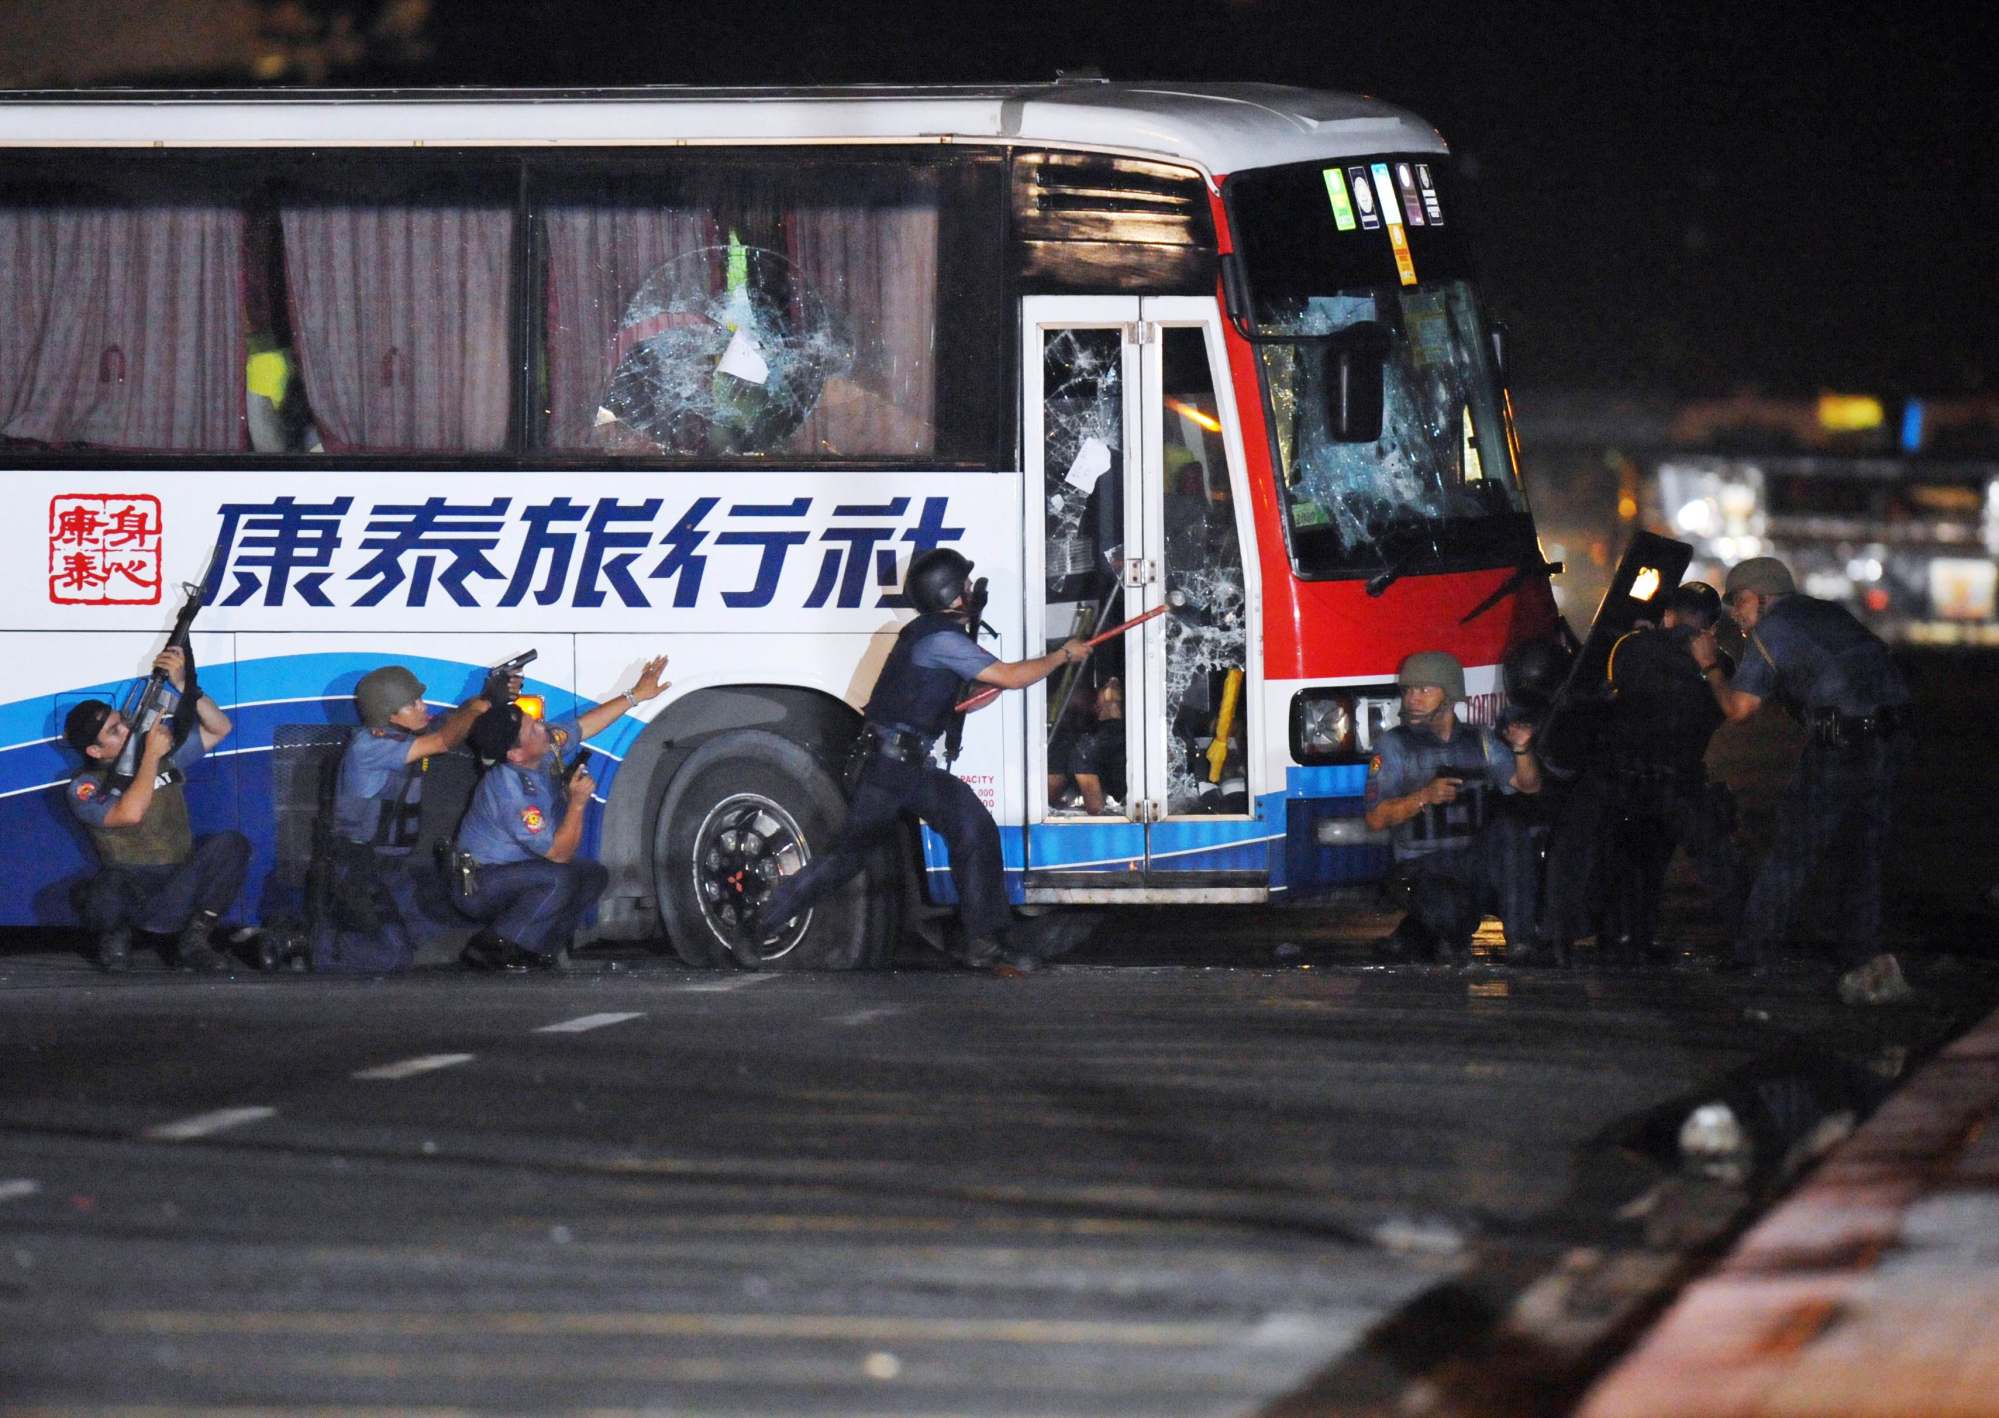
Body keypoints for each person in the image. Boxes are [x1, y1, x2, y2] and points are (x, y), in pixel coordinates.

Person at [754, 547, 1091, 968]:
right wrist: (1062, 655)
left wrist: (988, 685)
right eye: (965, 585)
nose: (971, 590)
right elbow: (1009, 675)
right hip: (889, 769)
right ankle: (761, 924)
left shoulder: (931, 635)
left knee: (972, 826)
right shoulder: (941, 640)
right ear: (949, 593)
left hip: (907, 767)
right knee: (845, 860)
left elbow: (967, 694)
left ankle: (983, 939)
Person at [1696, 556, 1915, 1004]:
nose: (1736, 614)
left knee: (1792, 851)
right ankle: (1860, 956)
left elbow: (1739, 709)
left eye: (1739, 602)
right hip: (1890, 738)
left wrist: (1709, 665)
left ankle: (1752, 953)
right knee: (1864, 853)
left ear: (1760, 597)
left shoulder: (1772, 630)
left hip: (1841, 745)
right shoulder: (1826, 613)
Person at [1540, 582, 1741, 960]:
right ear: (1711, 626)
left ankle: (1560, 938)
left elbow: (1603, 693)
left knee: (1577, 848)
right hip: (1679, 782)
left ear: (1668, 615)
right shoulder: (1723, 665)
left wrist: (1641, 639)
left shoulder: (1630, 646)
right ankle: (1748, 941)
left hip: (1617, 777)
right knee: (1707, 858)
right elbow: (1719, 709)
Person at [453, 656, 669, 971]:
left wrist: (636, 695)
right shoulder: (510, 788)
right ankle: (491, 946)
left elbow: (583, 726)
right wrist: (578, 803)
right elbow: (558, 854)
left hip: (515, 871)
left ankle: (538, 949)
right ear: (515, 754)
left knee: (592, 875)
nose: (542, 726)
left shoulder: (540, 750)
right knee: (560, 878)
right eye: (532, 729)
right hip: (480, 884)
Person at [314, 663, 513, 972]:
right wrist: (480, 706)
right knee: (392, 957)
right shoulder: (371, 745)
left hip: (391, 870)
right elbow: (444, 739)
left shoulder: (404, 736)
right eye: (413, 703)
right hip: (357, 869)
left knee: (436, 941)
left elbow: (451, 724)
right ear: (389, 713)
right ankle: (309, 946)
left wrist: (486, 697)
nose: (424, 707)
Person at [63, 647, 246, 972]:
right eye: (114, 731)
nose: (126, 729)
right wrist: (150, 754)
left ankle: (194, 942)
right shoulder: (85, 785)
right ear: (94, 750)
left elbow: (219, 728)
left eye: (122, 722)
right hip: (133, 887)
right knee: (99, 889)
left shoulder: (162, 757)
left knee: (232, 845)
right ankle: (115, 940)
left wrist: (186, 686)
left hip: (178, 879)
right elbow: (128, 814)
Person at [1364, 650, 1544, 964]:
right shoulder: (1394, 745)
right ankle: (1429, 932)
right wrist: (1423, 797)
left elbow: (1528, 785)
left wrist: (1522, 749)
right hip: (1422, 867)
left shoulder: (1480, 740)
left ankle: (1521, 943)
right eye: (1408, 690)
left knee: (1511, 830)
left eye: (1424, 690)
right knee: (1449, 916)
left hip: (1471, 862)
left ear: (1449, 695)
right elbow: (1376, 819)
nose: (1413, 699)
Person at [1048, 676, 1125, 815]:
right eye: (1106, 686)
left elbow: (1096, 810)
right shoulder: (1082, 747)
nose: (1111, 691)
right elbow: (1096, 809)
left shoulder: (1086, 748)